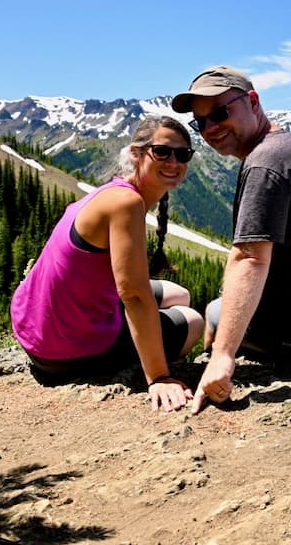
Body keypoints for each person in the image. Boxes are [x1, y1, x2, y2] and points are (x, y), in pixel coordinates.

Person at [169, 66, 291, 414]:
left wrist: (223, 356)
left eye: (219, 113)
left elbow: (249, 258)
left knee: (214, 312)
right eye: (201, 123)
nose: (211, 128)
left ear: (252, 101)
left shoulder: (263, 164)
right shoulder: (288, 145)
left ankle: (211, 363)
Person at [10, 116, 205, 411]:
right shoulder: (126, 204)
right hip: (66, 349)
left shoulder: (112, 191)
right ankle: (148, 363)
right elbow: (134, 295)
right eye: (162, 152)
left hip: (36, 331)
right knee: (193, 321)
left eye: (182, 154)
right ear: (136, 154)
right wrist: (159, 377)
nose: (173, 161)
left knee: (179, 294)